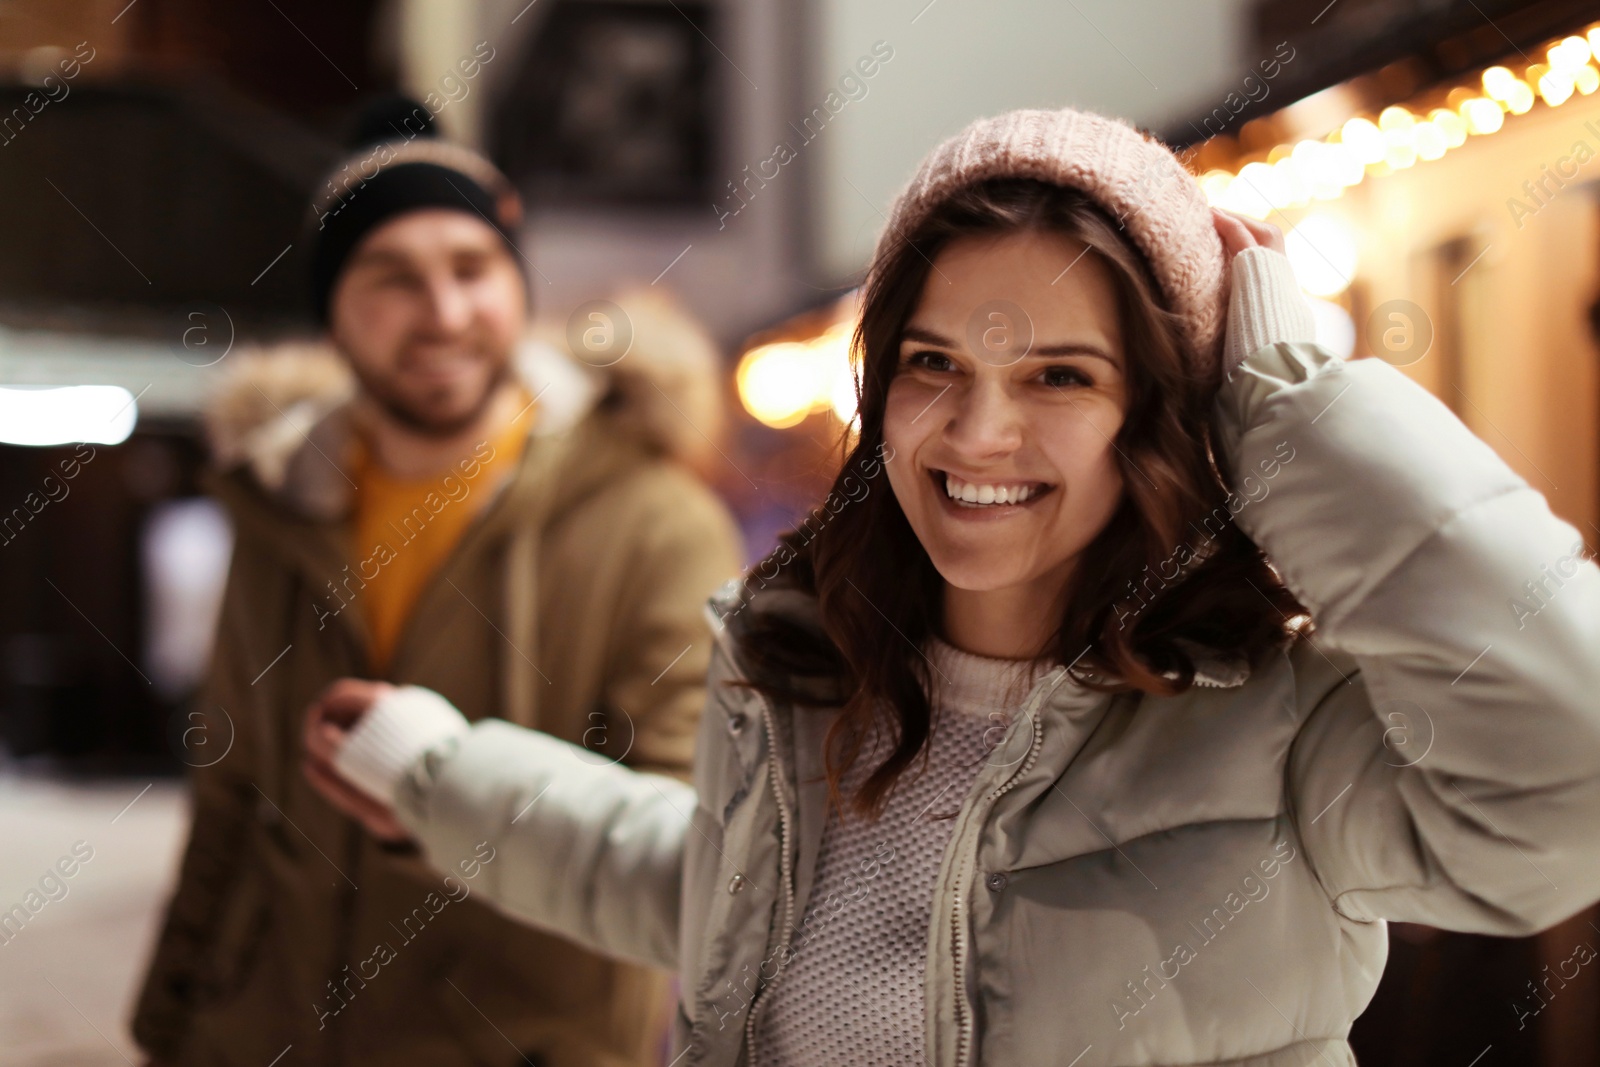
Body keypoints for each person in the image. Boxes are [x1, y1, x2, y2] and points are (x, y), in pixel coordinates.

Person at [301, 107, 1600, 1066]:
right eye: (933, 364)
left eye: (1058, 375)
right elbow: (695, 886)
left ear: (1160, 413)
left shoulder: (1281, 723)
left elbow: (1573, 777)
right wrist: (437, 769)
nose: (974, 435)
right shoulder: (811, 671)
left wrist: (1297, 413)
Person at [132, 120, 742, 1067]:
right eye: (393, 275)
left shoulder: (655, 521)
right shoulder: (276, 501)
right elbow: (230, 792)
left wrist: (442, 796)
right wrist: (168, 1020)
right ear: (335, 310)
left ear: (517, 287)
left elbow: (685, 842)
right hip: (264, 1031)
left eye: (473, 267)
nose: (445, 312)